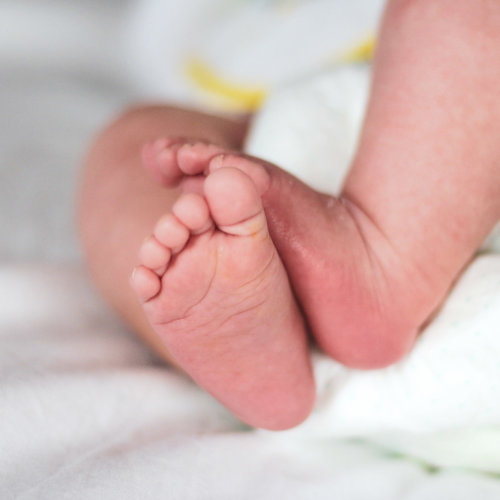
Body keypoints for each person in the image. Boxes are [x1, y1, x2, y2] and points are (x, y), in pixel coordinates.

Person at [78, 0, 500, 430]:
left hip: (450, 121)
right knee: (132, 142)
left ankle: (381, 265)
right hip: (265, 133)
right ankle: (252, 352)